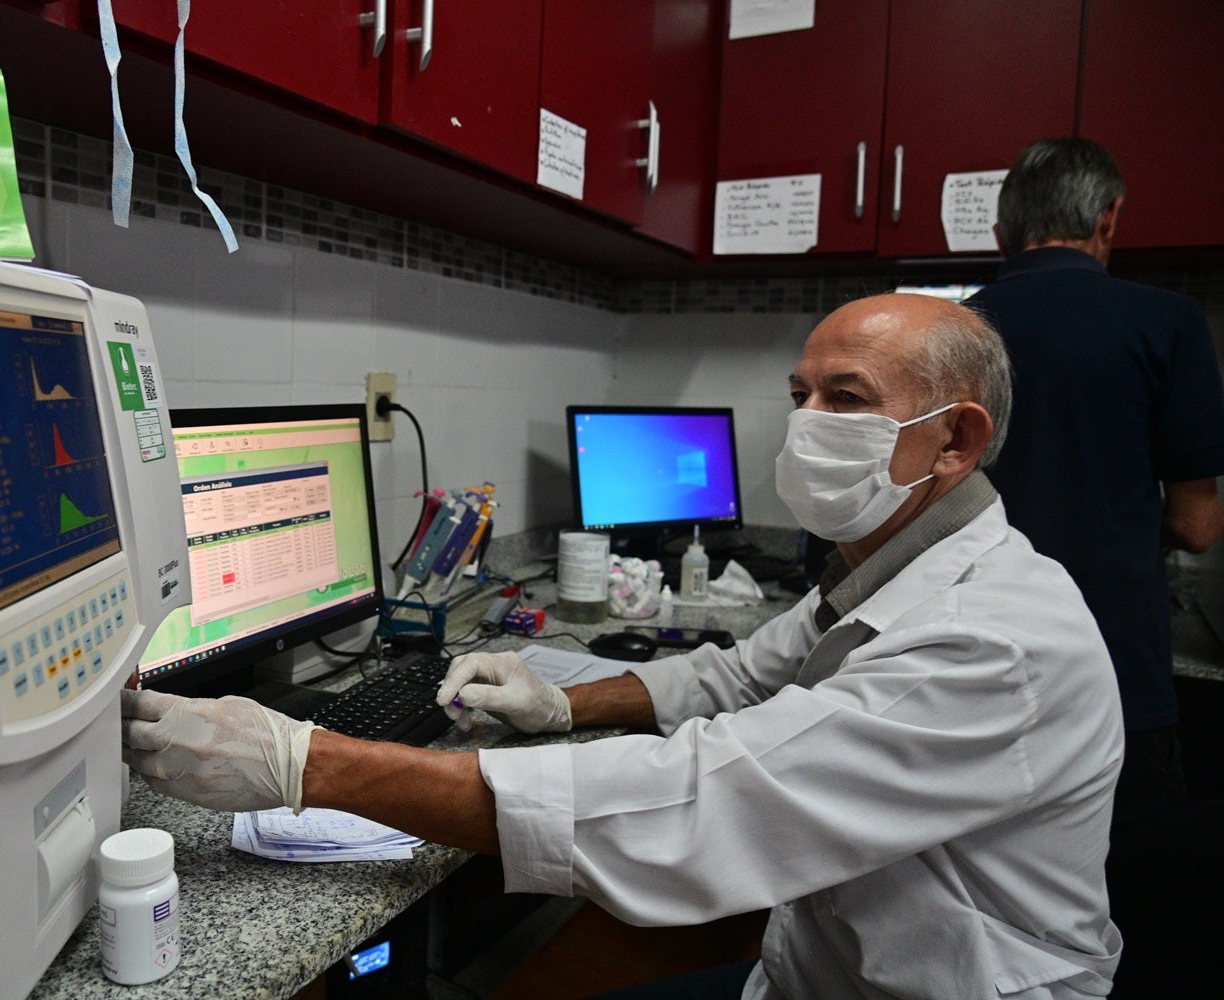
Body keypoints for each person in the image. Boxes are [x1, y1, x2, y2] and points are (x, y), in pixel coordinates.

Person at [123, 293, 1125, 999]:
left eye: (847, 398)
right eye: (801, 392)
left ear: (954, 442)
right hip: (828, 969)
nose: (805, 422)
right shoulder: (889, 566)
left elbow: (705, 801)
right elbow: (731, 674)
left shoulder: (986, 636)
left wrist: (307, 762)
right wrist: (562, 703)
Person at [968, 137, 1224, 829]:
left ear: (1000, 234)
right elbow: (1198, 526)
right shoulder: (1167, 323)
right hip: (1109, 673)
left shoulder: (950, 330)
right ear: (1110, 218)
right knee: (1123, 902)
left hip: (962, 667)